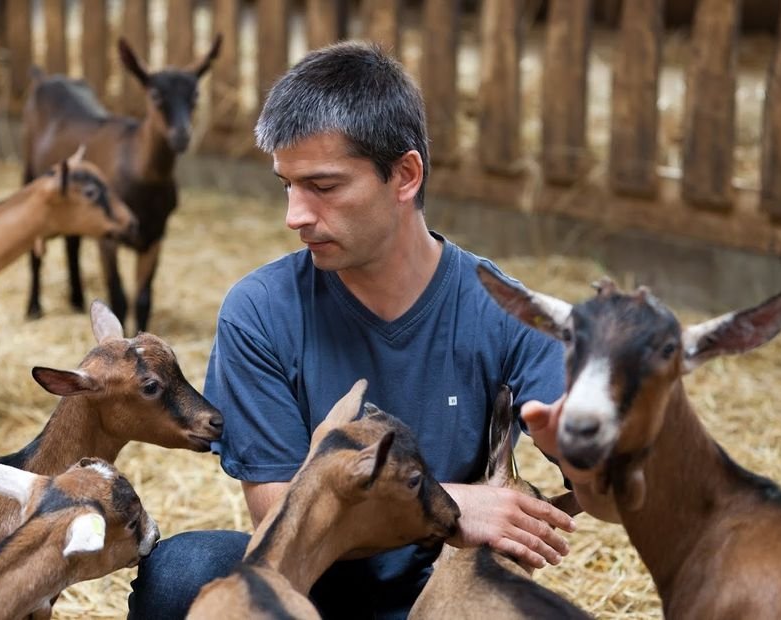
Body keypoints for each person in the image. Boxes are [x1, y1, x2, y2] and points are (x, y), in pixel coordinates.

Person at [128, 40, 577, 620]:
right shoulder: (259, 310)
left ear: (405, 175)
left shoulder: (510, 312)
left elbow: (612, 493)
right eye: (286, 185)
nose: (295, 215)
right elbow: (277, 514)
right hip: (311, 585)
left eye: (324, 186)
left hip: (443, 589)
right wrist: (449, 505)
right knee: (179, 575)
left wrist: (587, 456)